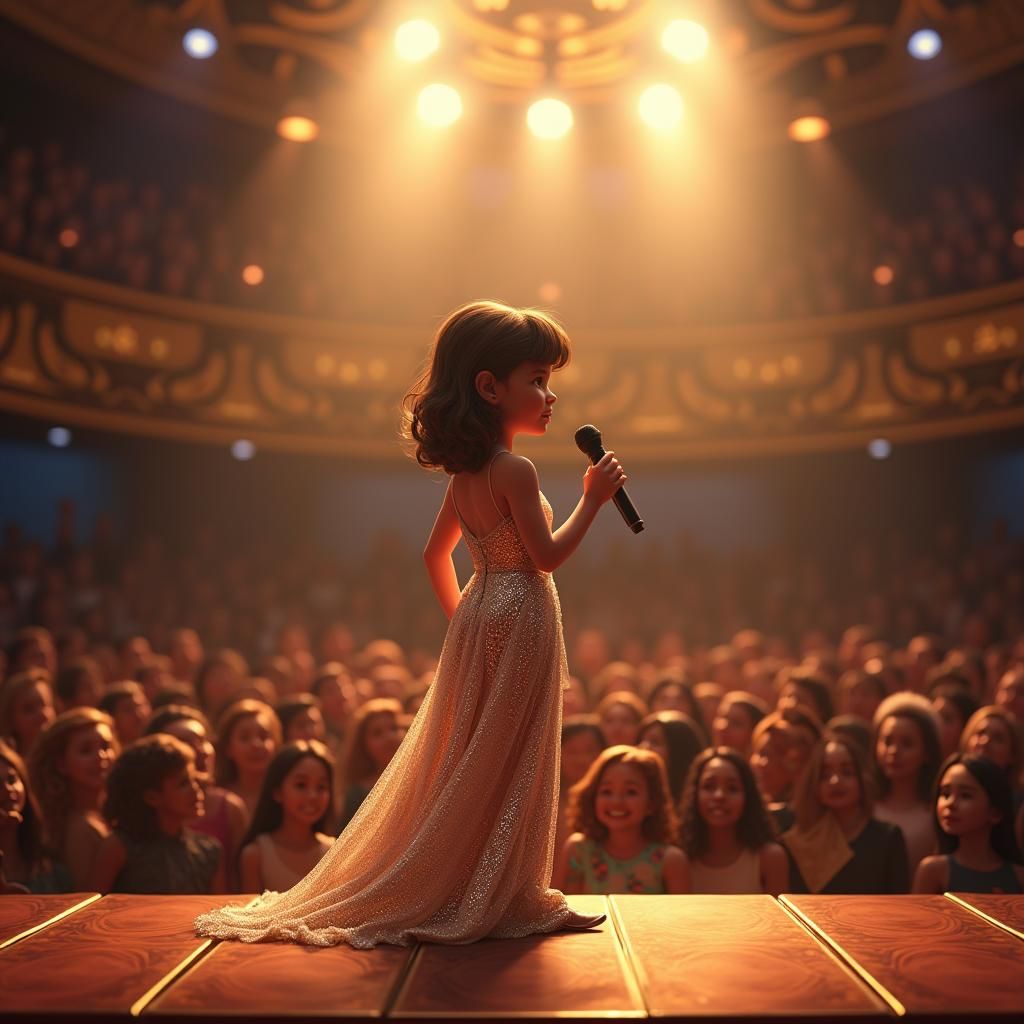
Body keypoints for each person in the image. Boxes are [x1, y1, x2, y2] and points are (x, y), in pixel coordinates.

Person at [195, 300, 628, 946]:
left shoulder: (465, 476)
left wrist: (470, 622)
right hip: (524, 612)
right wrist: (592, 501)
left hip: (483, 610)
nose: (549, 395)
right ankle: (508, 894)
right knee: (514, 756)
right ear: (489, 386)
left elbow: (434, 557)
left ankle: (492, 888)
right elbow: (546, 558)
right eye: (536, 379)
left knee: (475, 754)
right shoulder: (516, 470)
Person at [92, 734, 225, 894]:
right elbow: (90, 906)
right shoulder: (119, 847)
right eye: (183, 783)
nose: (196, 789)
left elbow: (219, 910)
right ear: (152, 797)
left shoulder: (208, 851)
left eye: (194, 780)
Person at [782, 731, 909, 894]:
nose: (835, 781)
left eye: (847, 772)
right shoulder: (799, 841)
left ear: (862, 779)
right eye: (825, 775)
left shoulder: (888, 838)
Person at [552, 745, 689, 894]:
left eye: (631, 792)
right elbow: (559, 910)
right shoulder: (578, 850)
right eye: (607, 791)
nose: (616, 801)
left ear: (652, 802)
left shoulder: (671, 861)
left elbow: (681, 916)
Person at [28, 707, 120, 890]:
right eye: (86, 750)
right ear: (61, 764)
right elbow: (91, 900)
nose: (100, 757)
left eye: (106, 747)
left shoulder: (105, 814)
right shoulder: (80, 829)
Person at [678, 747, 788, 895]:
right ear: (694, 794)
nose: (719, 796)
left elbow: (778, 918)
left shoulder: (769, 858)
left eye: (732, 788)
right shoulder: (678, 857)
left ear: (748, 797)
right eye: (709, 787)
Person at [913, 754, 1024, 894]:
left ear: (995, 813)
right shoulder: (933, 871)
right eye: (945, 794)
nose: (950, 803)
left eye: (965, 795)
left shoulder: (1019, 877)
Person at [237, 741, 336, 893]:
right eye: (301, 785)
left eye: (321, 787)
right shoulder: (256, 855)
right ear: (277, 792)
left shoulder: (333, 852)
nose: (312, 796)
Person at [872, 693, 943, 877]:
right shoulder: (863, 804)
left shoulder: (938, 812)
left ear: (927, 751)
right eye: (888, 741)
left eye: (907, 743)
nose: (894, 751)